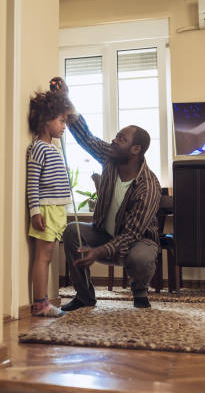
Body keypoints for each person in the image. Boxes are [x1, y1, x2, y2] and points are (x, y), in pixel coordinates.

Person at [51, 78, 161, 311]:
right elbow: (86, 137)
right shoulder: (110, 157)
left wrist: (98, 252)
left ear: (136, 150)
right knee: (73, 231)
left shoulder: (148, 185)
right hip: (104, 235)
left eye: (121, 138)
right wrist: (66, 99)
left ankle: (140, 291)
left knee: (140, 257)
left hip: (137, 243)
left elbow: (131, 235)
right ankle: (85, 296)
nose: (113, 140)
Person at [26, 89, 74, 317]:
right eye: (61, 121)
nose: (64, 126)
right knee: (42, 257)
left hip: (56, 209)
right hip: (45, 209)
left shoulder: (52, 147)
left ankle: (43, 301)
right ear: (46, 120)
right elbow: (32, 182)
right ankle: (40, 303)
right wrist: (35, 211)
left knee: (49, 257)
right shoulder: (38, 148)